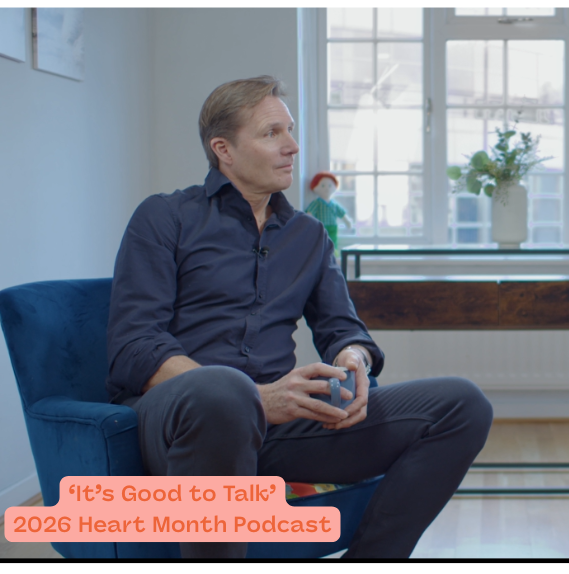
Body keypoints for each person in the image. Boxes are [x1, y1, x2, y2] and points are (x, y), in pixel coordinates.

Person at [106, 76, 493, 559]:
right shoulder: (165, 217)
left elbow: (342, 328)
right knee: (223, 391)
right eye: (272, 133)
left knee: (463, 404)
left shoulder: (308, 235)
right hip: (183, 421)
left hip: (280, 426)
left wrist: (353, 359)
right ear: (223, 150)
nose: (292, 146)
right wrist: (255, 397)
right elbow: (135, 347)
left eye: (290, 130)